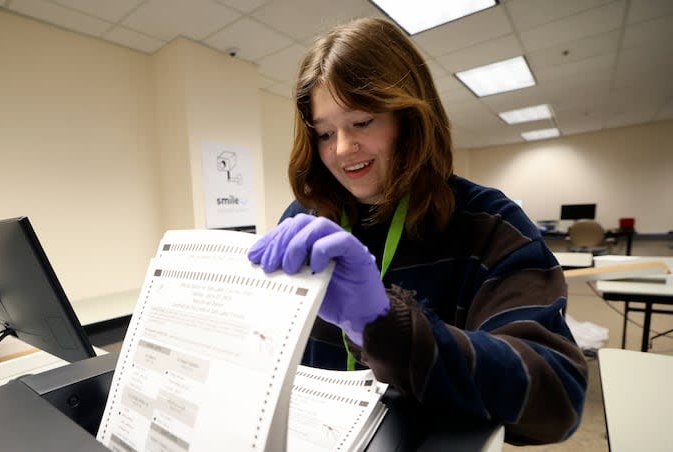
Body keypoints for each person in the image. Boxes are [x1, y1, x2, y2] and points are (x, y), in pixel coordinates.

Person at [247, 17, 587, 446]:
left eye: (363, 122)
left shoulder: (490, 224)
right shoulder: (307, 220)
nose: (342, 149)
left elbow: (557, 396)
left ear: (410, 116)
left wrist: (384, 325)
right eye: (325, 133)